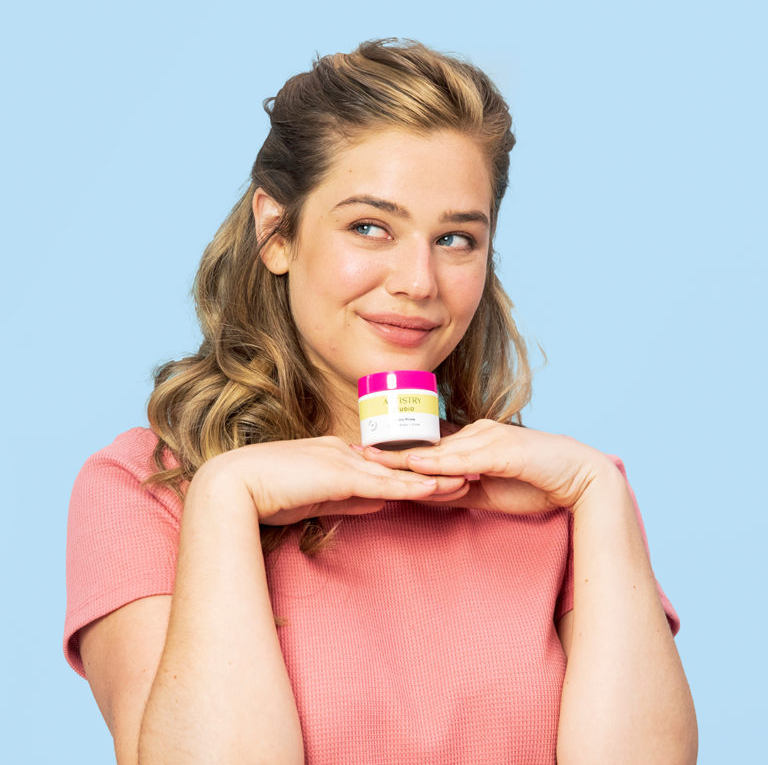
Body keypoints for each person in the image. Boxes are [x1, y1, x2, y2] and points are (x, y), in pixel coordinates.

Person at [64, 38, 697, 765]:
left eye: (456, 238)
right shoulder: (150, 492)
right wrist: (227, 497)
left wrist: (601, 495)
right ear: (277, 231)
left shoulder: (558, 497)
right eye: (370, 227)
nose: (418, 280)